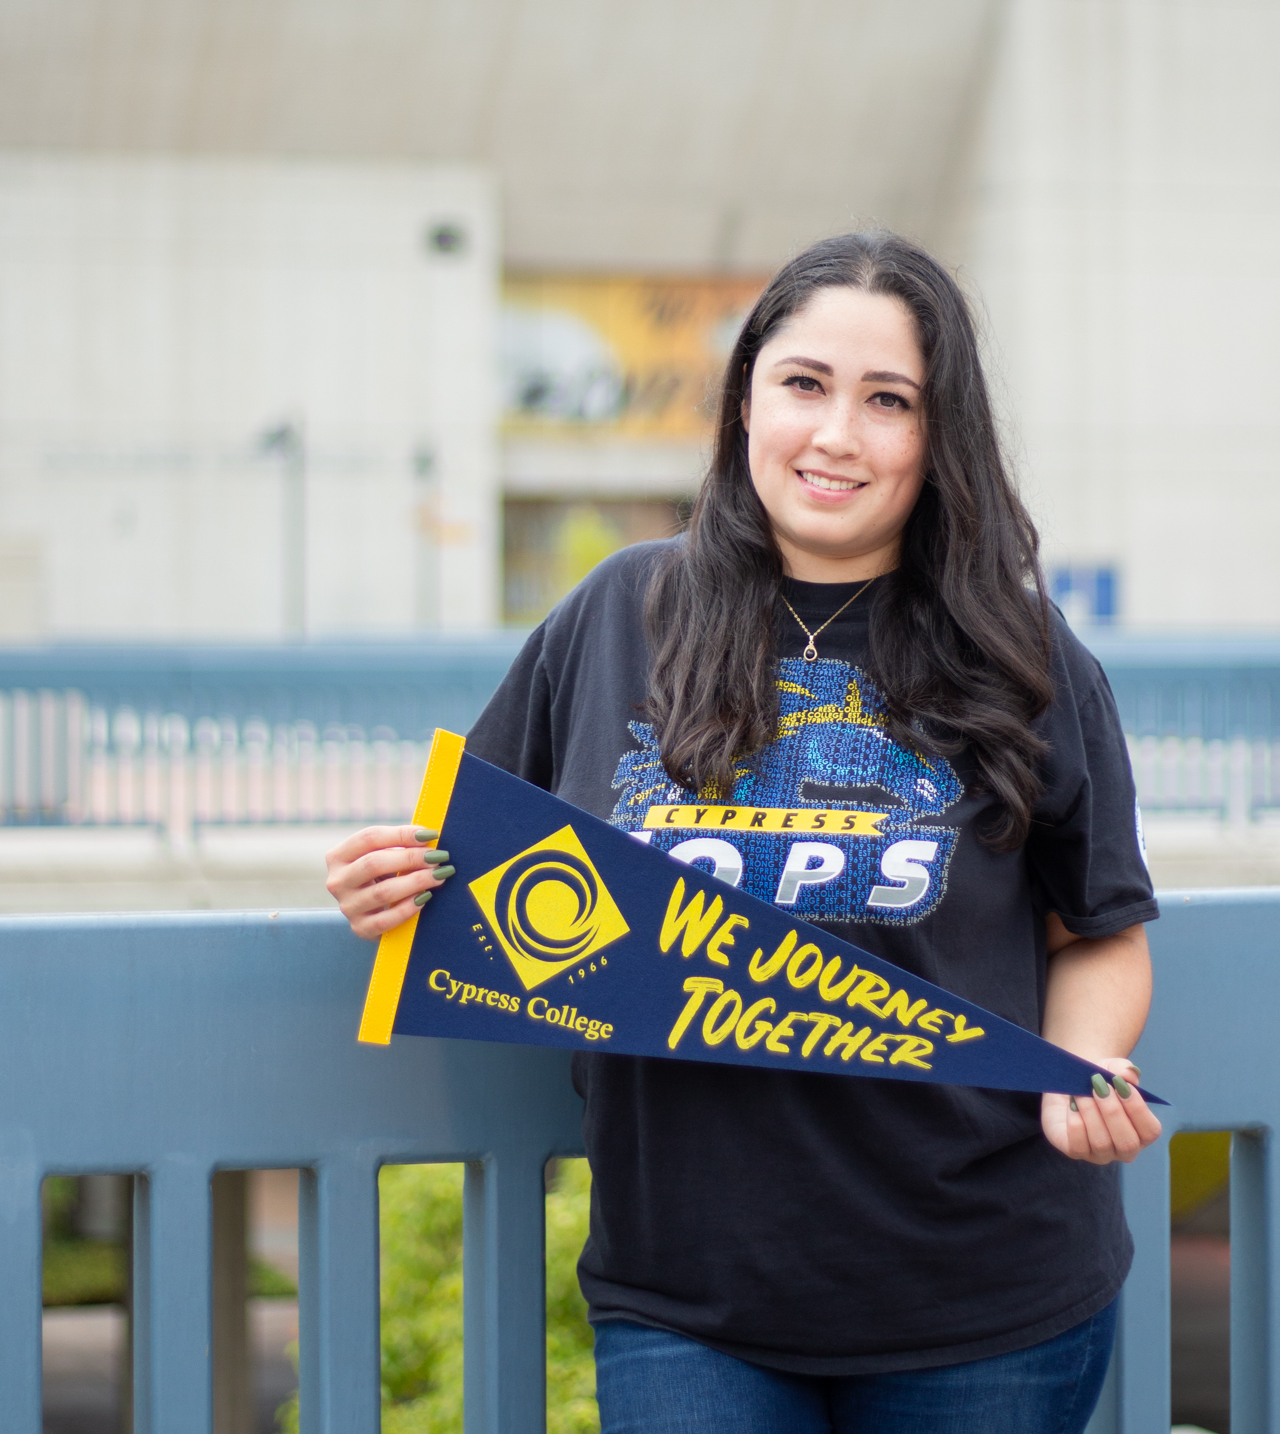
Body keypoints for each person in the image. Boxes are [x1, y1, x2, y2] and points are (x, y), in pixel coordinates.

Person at [327, 230, 1162, 1434]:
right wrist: (387, 886)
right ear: (745, 398)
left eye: (890, 400)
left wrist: (1081, 1072)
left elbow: (1101, 926)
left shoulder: (1022, 651)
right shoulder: (618, 610)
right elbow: (471, 875)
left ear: (941, 437)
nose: (836, 434)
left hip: (986, 1293)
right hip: (687, 1302)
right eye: (805, 384)